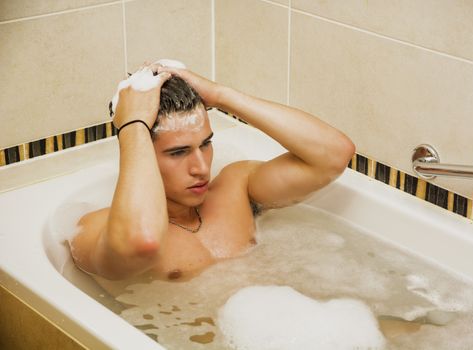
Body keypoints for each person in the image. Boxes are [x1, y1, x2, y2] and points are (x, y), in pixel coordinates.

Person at [70, 63, 355, 281]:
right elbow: (142, 241)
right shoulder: (95, 229)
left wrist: (221, 96)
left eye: (205, 144)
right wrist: (132, 126)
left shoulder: (237, 187)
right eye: (178, 152)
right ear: (141, 150)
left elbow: (333, 156)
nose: (201, 167)